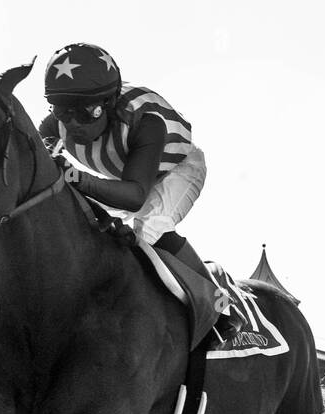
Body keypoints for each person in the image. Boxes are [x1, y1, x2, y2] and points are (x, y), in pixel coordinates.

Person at [38, 42, 243, 346]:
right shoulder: (55, 126)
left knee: (150, 226)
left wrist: (74, 176)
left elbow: (135, 197)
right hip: (125, 177)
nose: (72, 124)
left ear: (108, 103)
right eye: (61, 111)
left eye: (85, 113)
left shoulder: (146, 121)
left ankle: (220, 308)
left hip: (175, 170)